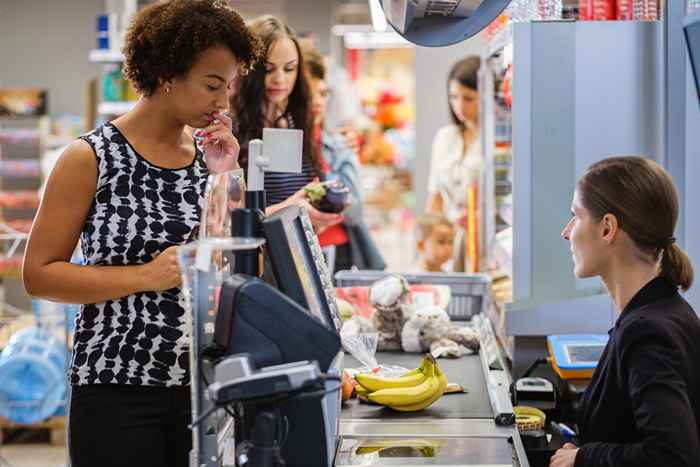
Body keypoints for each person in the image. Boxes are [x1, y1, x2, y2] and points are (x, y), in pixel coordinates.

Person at [21, 1, 258, 466]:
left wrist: (227, 177)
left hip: (202, 386)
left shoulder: (208, 158)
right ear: (168, 73)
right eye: (213, 85)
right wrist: (146, 276)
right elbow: (39, 275)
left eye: (228, 87)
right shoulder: (90, 157)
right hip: (117, 389)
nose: (223, 102)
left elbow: (241, 268)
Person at [551, 156, 699, 467]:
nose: (566, 232)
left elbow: (673, 456)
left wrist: (583, 457)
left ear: (607, 228)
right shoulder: (662, 312)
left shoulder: (649, 333)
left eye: (575, 216)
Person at [231, 15, 342, 235]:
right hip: (255, 260)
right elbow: (229, 221)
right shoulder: (231, 132)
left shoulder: (297, 122)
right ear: (250, 70)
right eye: (268, 69)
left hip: (296, 253)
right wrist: (293, 209)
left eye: (289, 68)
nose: (280, 79)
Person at [302, 42, 385, 273]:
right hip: (294, 249)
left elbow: (354, 209)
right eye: (309, 93)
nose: (318, 101)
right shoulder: (281, 144)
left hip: (337, 251)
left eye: (322, 93)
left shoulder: (338, 145)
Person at [426, 56, 484, 272]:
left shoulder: (499, 142)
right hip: (449, 245)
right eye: (453, 97)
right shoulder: (445, 137)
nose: (459, 106)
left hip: (484, 242)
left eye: (468, 98)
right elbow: (435, 198)